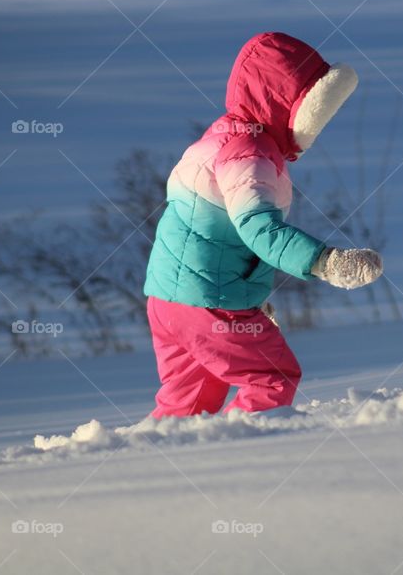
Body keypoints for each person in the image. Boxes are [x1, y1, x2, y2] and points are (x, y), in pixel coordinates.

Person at [143, 32, 383, 417]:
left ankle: (157, 459)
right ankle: (245, 455)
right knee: (273, 377)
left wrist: (249, 297)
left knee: (189, 404)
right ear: (287, 107)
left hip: (169, 301)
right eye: (316, 114)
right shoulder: (249, 155)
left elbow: (212, 235)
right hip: (210, 301)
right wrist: (327, 262)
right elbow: (259, 230)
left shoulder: (219, 139)